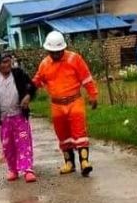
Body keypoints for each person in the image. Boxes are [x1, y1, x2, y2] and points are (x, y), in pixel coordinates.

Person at [32, 32, 99, 176]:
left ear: (63, 48)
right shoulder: (44, 64)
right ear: (48, 51)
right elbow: (37, 81)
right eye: (52, 52)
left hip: (75, 101)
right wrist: (26, 90)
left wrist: (93, 95)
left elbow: (86, 78)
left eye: (58, 51)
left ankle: (84, 162)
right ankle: (69, 163)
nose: (56, 54)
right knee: (62, 134)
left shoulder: (75, 59)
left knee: (79, 132)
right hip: (57, 105)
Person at [0, 52, 37, 183]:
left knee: (23, 141)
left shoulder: (18, 74)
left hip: (19, 116)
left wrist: (27, 96)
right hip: (4, 119)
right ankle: (13, 169)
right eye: (4, 62)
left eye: (8, 61)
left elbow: (32, 87)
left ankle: (27, 169)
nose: (7, 64)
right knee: (8, 145)